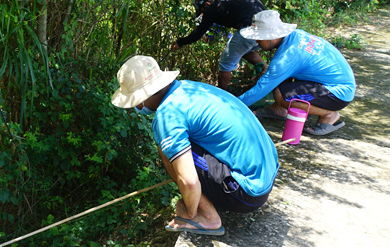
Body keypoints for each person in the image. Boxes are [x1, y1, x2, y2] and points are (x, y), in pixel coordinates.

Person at [111, 55, 279, 235]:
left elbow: (189, 180)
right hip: (267, 176)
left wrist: (190, 213)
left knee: (167, 149)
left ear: (142, 98)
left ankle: (207, 216)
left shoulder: (167, 115)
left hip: (248, 193)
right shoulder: (189, 88)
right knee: (176, 146)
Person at [238, 10, 356, 136]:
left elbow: (261, 88)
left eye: (259, 38)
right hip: (332, 83)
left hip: (338, 93)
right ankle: (279, 110)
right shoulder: (296, 36)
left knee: (282, 96)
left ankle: (329, 115)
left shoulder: (288, 56)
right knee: (278, 82)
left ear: (271, 35)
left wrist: (232, 104)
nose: (257, 42)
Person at [171, 0, 267, 91]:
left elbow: (198, 34)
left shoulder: (213, 7)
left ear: (207, 4)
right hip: (267, 30)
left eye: (203, 10)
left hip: (250, 29)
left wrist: (179, 42)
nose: (203, 13)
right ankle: (265, 68)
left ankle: (221, 95)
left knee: (225, 63)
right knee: (244, 50)